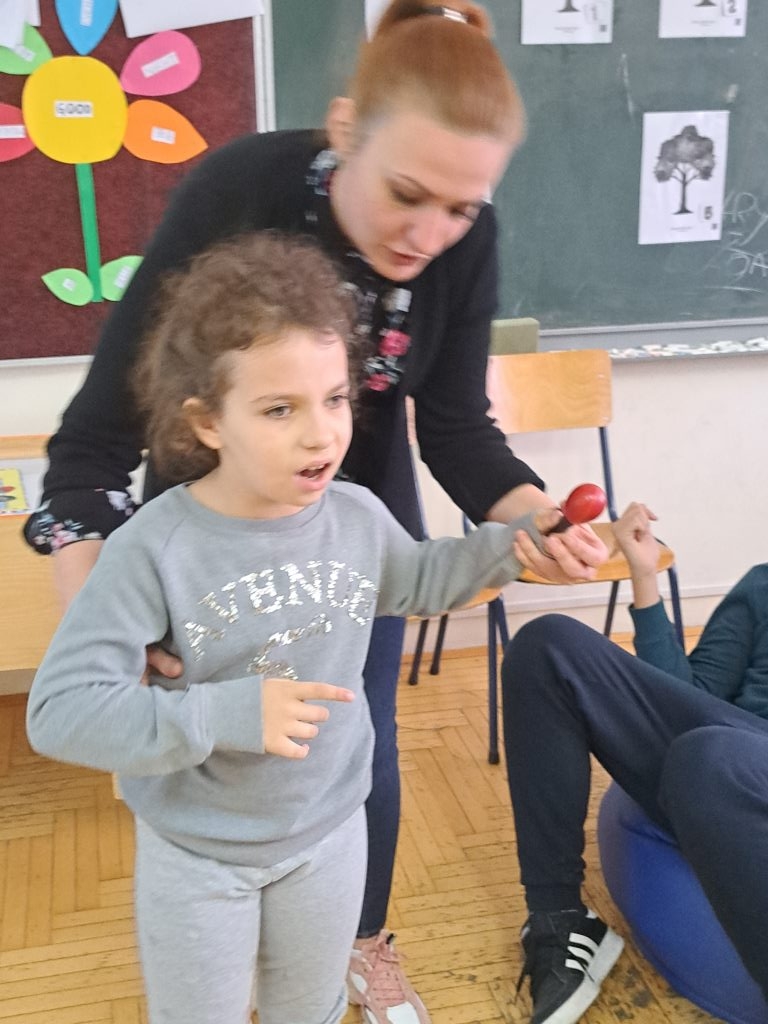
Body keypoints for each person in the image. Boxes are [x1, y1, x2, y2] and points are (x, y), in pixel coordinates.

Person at [23, 2, 607, 1019]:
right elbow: (94, 440)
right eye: (408, 194)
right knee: (213, 762)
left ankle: (350, 939)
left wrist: (536, 530)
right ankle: (207, 933)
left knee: (351, 740)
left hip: (349, 519)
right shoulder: (237, 190)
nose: (430, 235)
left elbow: (456, 427)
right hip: (205, 522)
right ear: (346, 132)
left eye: (462, 209)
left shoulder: (458, 242)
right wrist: (107, 622)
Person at [503, 501, 768, 1024]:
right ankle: (560, 919)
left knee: (712, 757)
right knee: (546, 645)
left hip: (729, 762)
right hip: (728, 765)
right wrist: (644, 576)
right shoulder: (762, 586)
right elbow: (691, 694)